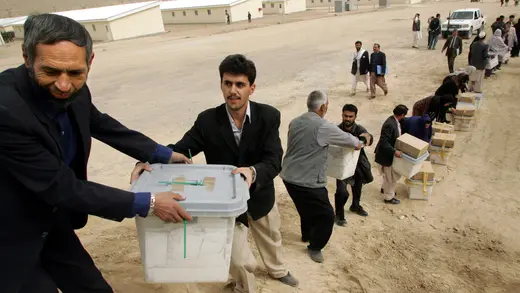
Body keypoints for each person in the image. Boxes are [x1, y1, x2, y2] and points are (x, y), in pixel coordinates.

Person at [0, 14, 194, 293]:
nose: (64, 85)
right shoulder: (6, 110)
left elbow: (100, 123)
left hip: (50, 219)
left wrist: (162, 154)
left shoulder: (73, 85)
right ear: (27, 58)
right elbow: (62, 187)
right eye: (51, 72)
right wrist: (149, 202)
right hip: (9, 232)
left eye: (76, 73)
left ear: (89, 61)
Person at [132, 54, 299, 292]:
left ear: (252, 88)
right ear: (221, 84)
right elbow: (180, 150)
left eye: (240, 84)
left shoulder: (269, 116)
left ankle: (278, 269)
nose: (233, 90)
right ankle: (243, 286)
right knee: (238, 259)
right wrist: (147, 160)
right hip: (225, 202)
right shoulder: (207, 120)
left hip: (260, 193)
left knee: (271, 237)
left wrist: (252, 172)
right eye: (227, 83)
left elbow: (274, 160)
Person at [280, 90, 362, 263]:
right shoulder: (324, 126)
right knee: (326, 215)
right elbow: (354, 143)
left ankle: (306, 235)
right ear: (323, 107)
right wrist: (364, 139)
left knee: (304, 208)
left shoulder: (295, 122)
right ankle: (315, 247)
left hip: (288, 176)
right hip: (307, 180)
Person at [334, 104, 374, 224]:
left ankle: (355, 206)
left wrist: (363, 141)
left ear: (355, 116)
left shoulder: (359, 129)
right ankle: (339, 215)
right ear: (342, 115)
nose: (348, 119)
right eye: (345, 116)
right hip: (341, 165)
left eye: (350, 116)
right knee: (341, 192)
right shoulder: (336, 130)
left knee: (357, 188)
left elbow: (369, 137)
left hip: (357, 165)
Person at [374, 105, 409, 205]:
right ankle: (389, 197)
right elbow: (384, 142)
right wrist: (395, 151)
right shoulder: (390, 124)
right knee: (391, 178)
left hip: (386, 153)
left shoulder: (393, 121)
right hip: (386, 155)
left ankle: (385, 189)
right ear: (402, 115)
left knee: (388, 175)